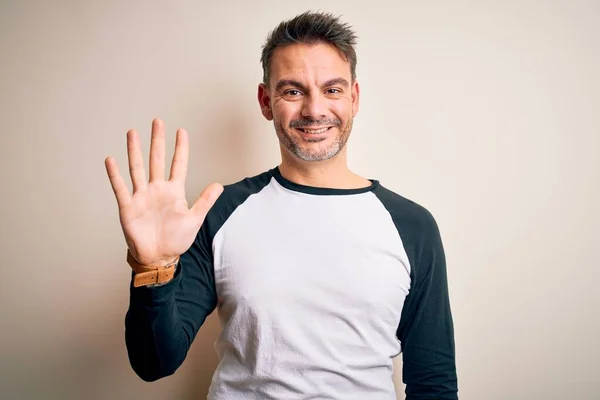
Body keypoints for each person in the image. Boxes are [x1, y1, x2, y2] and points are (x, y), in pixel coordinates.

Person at [104, 11, 458, 400]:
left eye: (332, 90)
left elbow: (434, 384)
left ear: (354, 98)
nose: (314, 110)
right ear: (265, 101)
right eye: (293, 91)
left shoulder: (412, 226)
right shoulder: (221, 212)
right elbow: (154, 363)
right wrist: (154, 268)